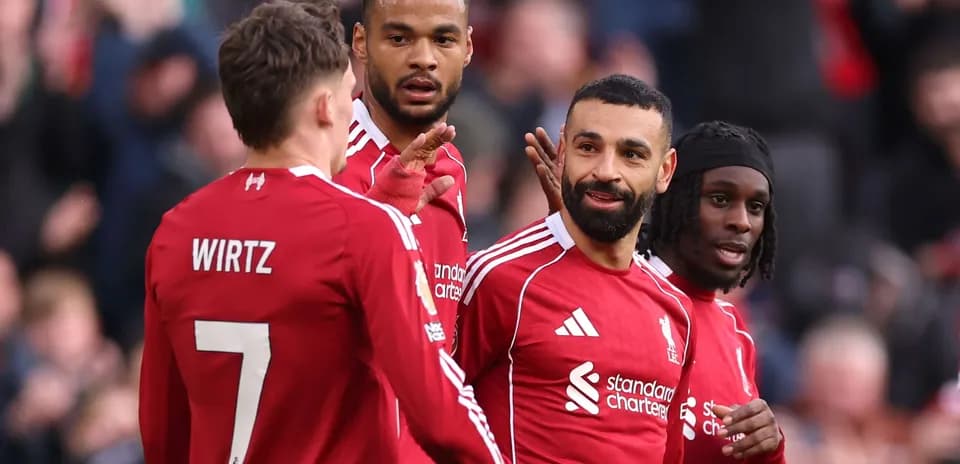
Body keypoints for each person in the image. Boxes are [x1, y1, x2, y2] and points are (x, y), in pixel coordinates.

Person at [137, 2, 503, 463]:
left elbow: (161, 428)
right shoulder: (363, 231)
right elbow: (437, 407)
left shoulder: (176, 231)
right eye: (349, 94)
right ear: (326, 106)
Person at [455, 74, 696, 463]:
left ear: (665, 171)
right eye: (588, 147)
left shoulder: (676, 311)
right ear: (563, 151)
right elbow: (419, 413)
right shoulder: (500, 278)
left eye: (632, 154)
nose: (606, 171)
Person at [528, 120, 787, 462]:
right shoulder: (612, 289)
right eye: (720, 199)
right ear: (676, 200)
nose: (742, 221)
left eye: (756, 207)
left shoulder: (736, 331)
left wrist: (769, 450)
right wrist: (563, 239)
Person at [336, 0, 473, 335]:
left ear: (467, 48)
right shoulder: (327, 164)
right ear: (360, 42)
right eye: (399, 39)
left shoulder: (451, 163)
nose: (424, 59)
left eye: (443, 40)